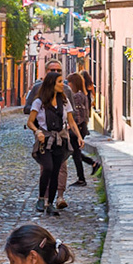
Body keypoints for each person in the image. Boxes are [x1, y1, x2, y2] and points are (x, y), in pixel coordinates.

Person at [28, 70, 84, 212]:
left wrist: (79, 136)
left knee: (55, 172)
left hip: (60, 140)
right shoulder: (39, 102)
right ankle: (41, 198)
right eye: (59, 82)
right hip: (45, 141)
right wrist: (37, 131)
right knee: (48, 167)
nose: (62, 84)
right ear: (51, 84)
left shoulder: (64, 101)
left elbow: (71, 121)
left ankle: (50, 204)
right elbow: (30, 122)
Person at [65, 72, 100, 185]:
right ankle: (92, 164)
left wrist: (74, 127)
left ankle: (82, 179)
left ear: (73, 83)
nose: (67, 85)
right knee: (75, 152)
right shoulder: (82, 94)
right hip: (81, 127)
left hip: (78, 128)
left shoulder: (77, 96)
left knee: (75, 153)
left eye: (69, 82)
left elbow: (78, 114)